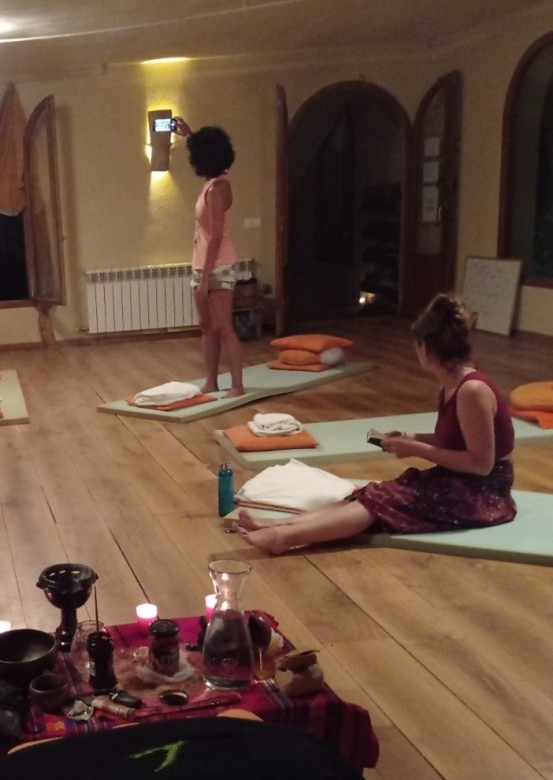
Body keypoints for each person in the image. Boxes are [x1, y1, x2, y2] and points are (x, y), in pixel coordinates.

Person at [235, 294, 517, 555]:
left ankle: (285, 538)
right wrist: (410, 437)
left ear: (426, 348)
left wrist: (416, 449)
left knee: (384, 500)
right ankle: (279, 526)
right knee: (370, 493)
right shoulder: (451, 384)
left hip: (483, 493)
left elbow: (481, 464)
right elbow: (454, 441)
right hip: (461, 479)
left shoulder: (472, 390)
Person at [173, 119, 244, 397]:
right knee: (206, 327)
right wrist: (189, 134)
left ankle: (237, 385)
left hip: (219, 265)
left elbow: (215, 237)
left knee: (223, 327)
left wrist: (205, 280)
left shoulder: (218, 189)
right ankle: (211, 382)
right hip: (201, 263)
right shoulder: (211, 183)